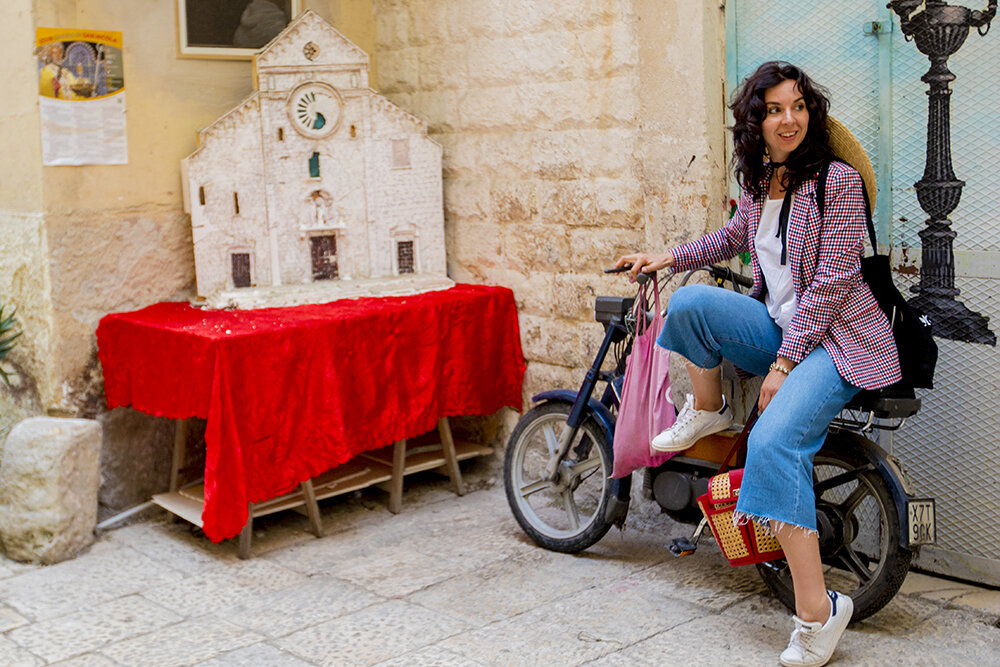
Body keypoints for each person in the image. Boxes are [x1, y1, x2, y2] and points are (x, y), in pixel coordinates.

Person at [616, 61, 899, 667]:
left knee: (772, 442)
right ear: (757, 122)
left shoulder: (838, 182)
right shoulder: (760, 184)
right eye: (774, 109)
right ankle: (711, 411)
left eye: (797, 106)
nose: (788, 118)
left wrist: (784, 364)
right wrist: (664, 256)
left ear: (810, 112)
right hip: (784, 331)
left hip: (839, 342)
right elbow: (728, 240)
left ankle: (817, 615)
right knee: (689, 303)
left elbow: (831, 285)